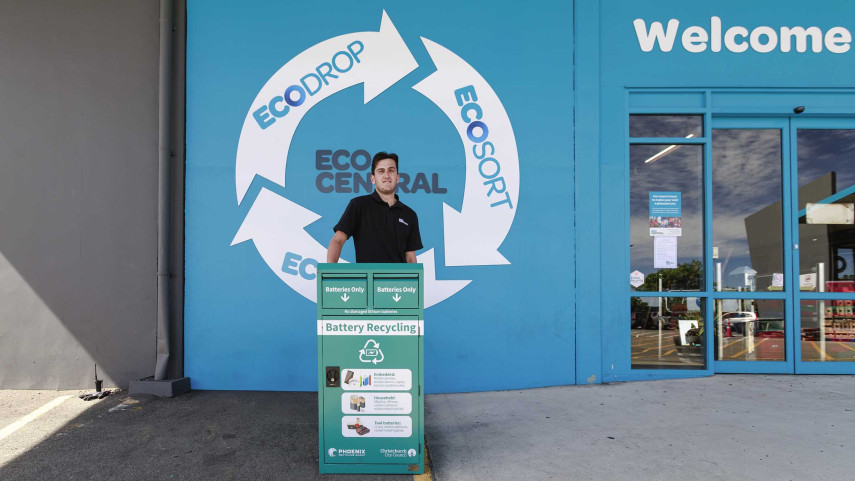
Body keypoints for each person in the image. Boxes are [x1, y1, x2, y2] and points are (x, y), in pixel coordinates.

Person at [327, 152, 422, 263]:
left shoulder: (409, 215)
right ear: (373, 179)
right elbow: (337, 241)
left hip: (400, 275)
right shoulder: (358, 205)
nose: (386, 175)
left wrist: (414, 274)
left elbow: (410, 257)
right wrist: (329, 272)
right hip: (367, 274)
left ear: (397, 178)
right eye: (381, 171)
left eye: (391, 170)